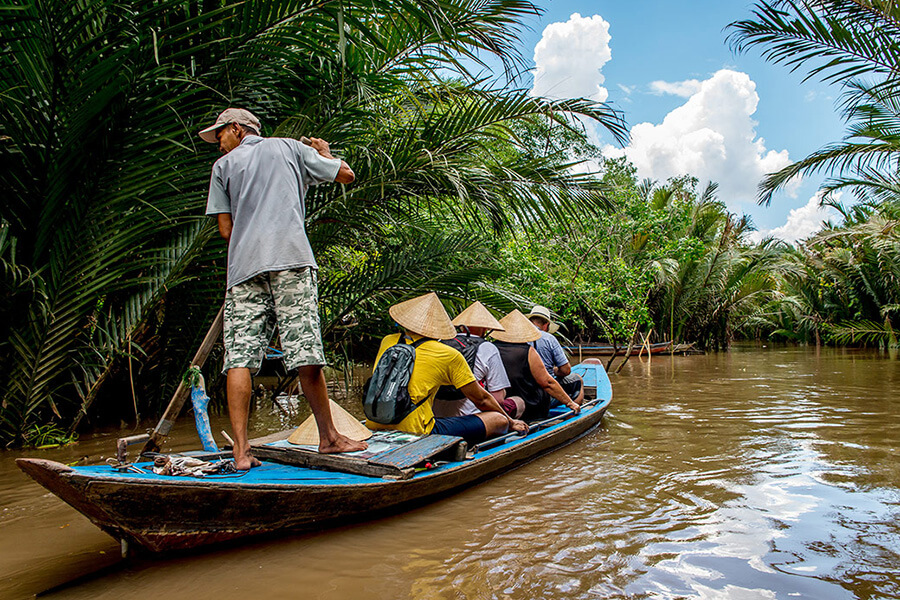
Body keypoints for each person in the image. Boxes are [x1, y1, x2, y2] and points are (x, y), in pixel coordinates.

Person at [200, 107, 366, 469]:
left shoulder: (223, 169)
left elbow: (226, 231)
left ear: (237, 129)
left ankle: (241, 451)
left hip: (243, 268)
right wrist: (323, 151)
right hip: (289, 258)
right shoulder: (289, 148)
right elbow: (345, 174)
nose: (218, 145)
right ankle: (329, 438)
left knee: (239, 357)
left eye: (220, 136)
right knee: (305, 347)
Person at [366, 293, 528, 445]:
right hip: (418, 430)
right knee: (498, 419)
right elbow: (482, 399)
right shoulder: (447, 354)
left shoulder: (388, 342)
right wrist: (511, 422)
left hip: (374, 420)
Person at [433, 301, 525, 419]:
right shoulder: (487, 348)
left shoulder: (441, 342)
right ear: (485, 328)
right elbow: (498, 399)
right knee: (518, 401)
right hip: (471, 417)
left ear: (461, 326)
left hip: (436, 415)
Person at [492, 310, 581, 421]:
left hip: (504, 401)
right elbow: (547, 383)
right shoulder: (528, 351)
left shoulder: (491, 348)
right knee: (577, 380)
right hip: (531, 404)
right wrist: (570, 403)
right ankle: (573, 418)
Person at [526, 305, 585, 406]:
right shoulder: (549, 339)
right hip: (544, 392)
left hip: (523, 389)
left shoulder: (518, 337)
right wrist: (555, 371)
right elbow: (566, 370)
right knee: (578, 379)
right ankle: (573, 412)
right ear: (546, 325)